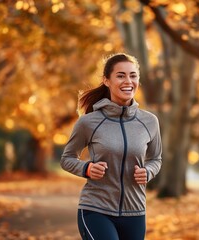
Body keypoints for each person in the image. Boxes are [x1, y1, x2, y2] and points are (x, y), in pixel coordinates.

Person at [60, 53, 162, 240]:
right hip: (96, 209)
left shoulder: (149, 122)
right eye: (121, 75)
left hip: (135, 212)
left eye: (133, 75)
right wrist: (87, 168)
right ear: (107, 81)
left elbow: (156, 159)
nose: (128, 81)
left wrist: (148, 171)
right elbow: (67, 158)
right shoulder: (89, 122)